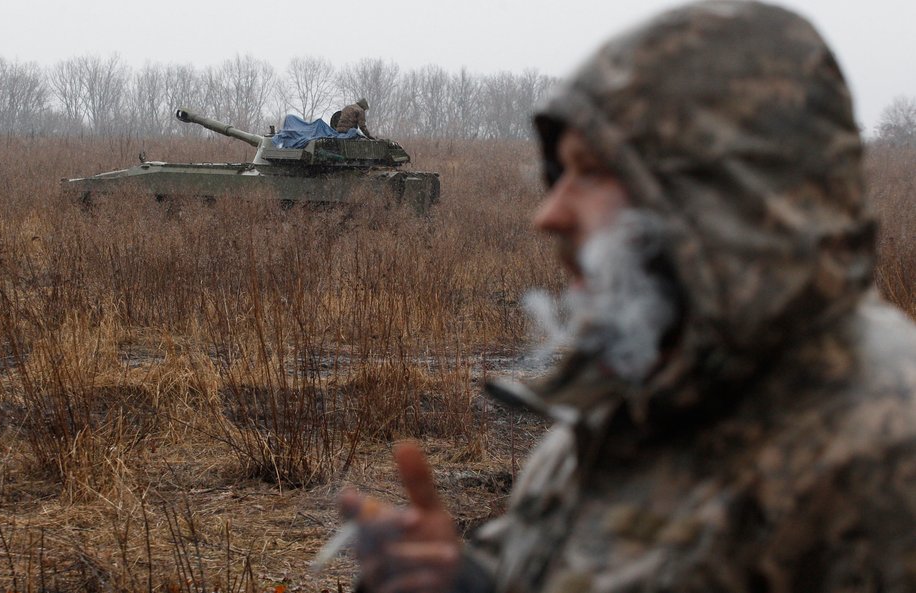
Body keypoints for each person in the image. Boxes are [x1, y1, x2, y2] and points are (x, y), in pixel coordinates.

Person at [339, 2, 916, 592]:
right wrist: (463, 580)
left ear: (719, 195)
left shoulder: (884, 444)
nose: (549, 214)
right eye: (557, 173)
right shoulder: (639, 388)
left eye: (591, 172)